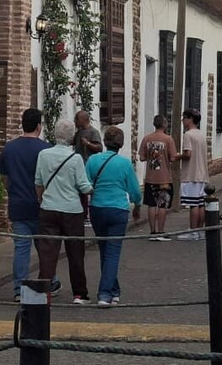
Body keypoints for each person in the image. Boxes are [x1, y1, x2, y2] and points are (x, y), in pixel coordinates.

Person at [35, 118, 94, 304]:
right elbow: (83, 186)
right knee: (75, 253)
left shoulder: (43, 155)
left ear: (55, 134)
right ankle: (79, 293)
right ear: (71, 137)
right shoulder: (75, 158)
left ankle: (43, 293)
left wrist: (41, 199)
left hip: (49, 208)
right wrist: (93, 188)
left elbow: (38, 182)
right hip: (71, 210)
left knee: (47, 254)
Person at [0, 108, 53, 300]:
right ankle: (47, 282)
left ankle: (19, 289)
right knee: (44, 247)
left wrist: (11, 191)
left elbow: (4, 177)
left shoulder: (9, 148)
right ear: (39, 126)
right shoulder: (46, 149)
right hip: (41, 205)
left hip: (18, 202)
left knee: (21, 248)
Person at [86, 126, 141, 308]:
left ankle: (114, 290)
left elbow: (85, 183)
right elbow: (134, 191)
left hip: (97, 208)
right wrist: (137, 206)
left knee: (105, 250)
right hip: (118, 209)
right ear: (121, 143)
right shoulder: (124, 164)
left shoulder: (93, 160)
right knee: (113, 252)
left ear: (104, 141)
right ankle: (104, 293)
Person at [137, 115, 178, 239]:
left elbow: (142, 157)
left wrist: (151, 156)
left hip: (150, 177)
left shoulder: (147, 138)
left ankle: (152, 232)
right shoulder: (168, 139)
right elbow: (173, 157)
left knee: (151, 204)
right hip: (164, 177)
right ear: (164, 125)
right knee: (162, 204)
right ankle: (161, 232)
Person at [178, 109, 208, 240]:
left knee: (193, 204)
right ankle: (200, 231)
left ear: (190, 119)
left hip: (191, 173)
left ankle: (193, 231)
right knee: (201, 204)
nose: (183, 121)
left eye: (184, 118)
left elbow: (188, 154)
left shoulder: (188, 135)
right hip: (202, 174)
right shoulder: (201, 135)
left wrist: (177, 156)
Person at [74, 110, 103, 225]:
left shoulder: (93, 132)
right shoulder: (79, 132)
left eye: (77, 119)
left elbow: (99, 148)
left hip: (90, 164)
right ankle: (83, 213)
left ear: (84, 119)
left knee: (90, 189)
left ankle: (92, 213)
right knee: (81, 191)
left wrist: (88, 144)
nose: (75, 121)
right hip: (79, 164)